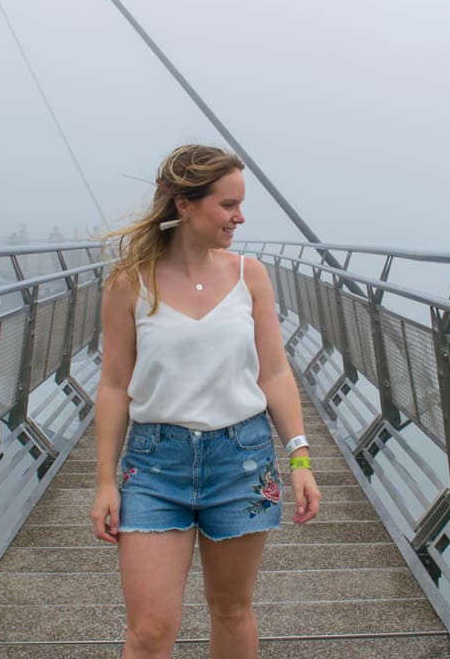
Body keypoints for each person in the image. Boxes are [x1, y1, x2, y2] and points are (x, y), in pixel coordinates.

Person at [90, 144, 321, 659]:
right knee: (149, 630)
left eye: (240, 204)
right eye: (228, 205)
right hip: (154, 465)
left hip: (241, 461)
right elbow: (113, 384)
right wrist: (105, 481)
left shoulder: (250, 276)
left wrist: (300, 456)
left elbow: (275, 372)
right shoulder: (130, 282)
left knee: (232, 608)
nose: (240, 217)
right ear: (183, 205)